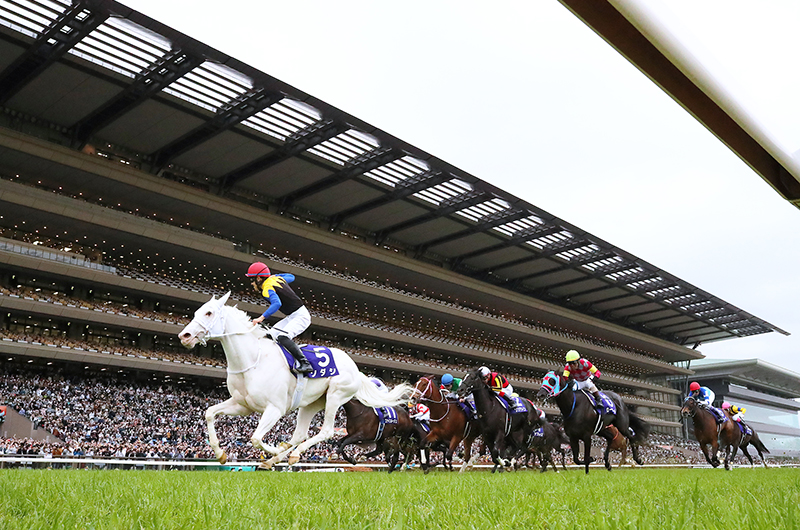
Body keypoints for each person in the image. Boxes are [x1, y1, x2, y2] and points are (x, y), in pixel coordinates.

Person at [246, 261, 312, 373]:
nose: (251, 283)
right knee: (270, 335)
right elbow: (291, 277)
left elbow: (277, 304)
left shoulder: (266, 288)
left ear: (258, 279)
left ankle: (305, 363)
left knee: (283, 336)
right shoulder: (276, 279)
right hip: (292, 315)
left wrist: (261, 318)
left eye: (251, 280)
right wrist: (275, 276)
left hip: (301, 316)